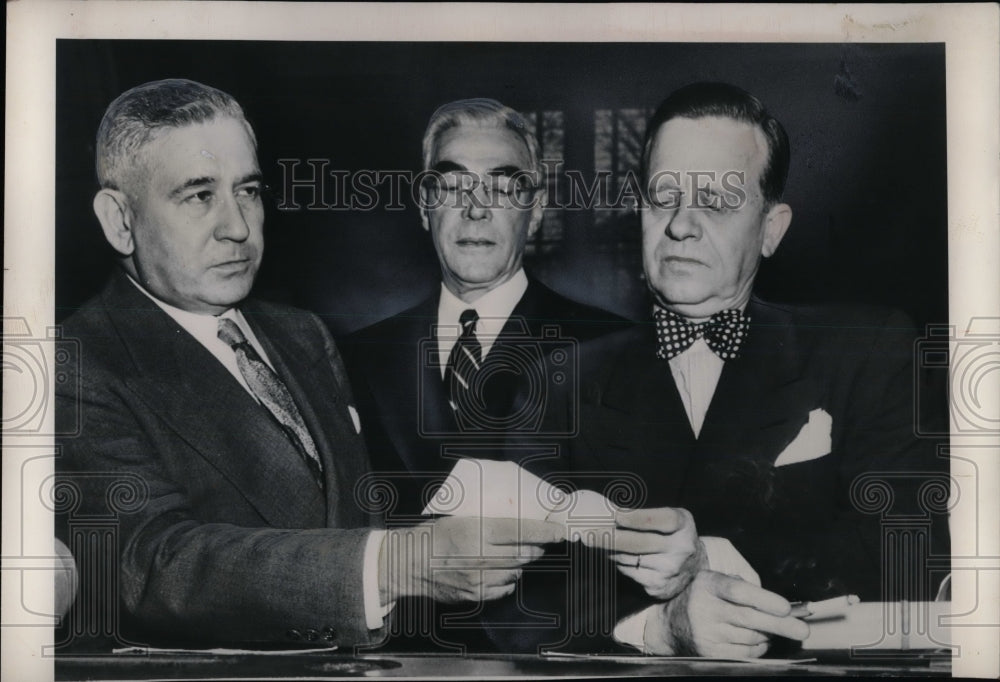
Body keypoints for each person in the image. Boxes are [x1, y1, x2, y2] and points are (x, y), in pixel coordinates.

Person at [53, 79, 566, 650]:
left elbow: (353, 517)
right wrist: (396, 564)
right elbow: (148, 565)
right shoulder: (77, 363)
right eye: (199, 195)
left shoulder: (301, 334)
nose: (238, 227)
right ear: (119, 219)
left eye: (247, 191)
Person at [521, 82, 950, 658]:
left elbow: (910, 560)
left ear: (771, 229)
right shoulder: (558, 381)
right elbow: (515, 596)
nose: (680, 225)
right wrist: (657, 627)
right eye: (663, 195)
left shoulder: (867, 349)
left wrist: (712, 561)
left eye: (718, 201)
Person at [339, 98, 700, 652]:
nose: (476, 209)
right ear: (423, 205)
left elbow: (645, 545)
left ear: (535, 210)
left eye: (504, 187)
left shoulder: (615, 348)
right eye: (453, 186)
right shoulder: (353, 356)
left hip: (557, 663)